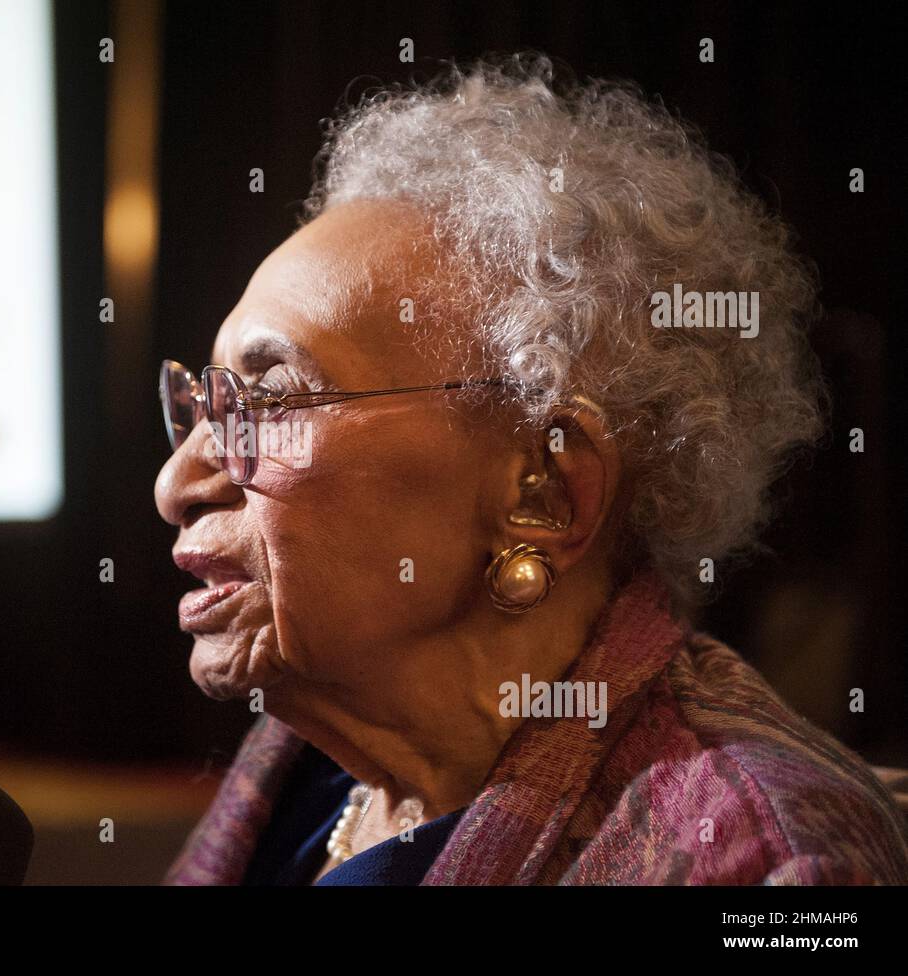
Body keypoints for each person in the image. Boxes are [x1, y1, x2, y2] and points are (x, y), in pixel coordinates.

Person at [153, 55, 908, 885]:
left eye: (272, 399)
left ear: (543, 491)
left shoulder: (760, 859)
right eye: (202, 405)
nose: (176, 484)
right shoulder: (302, 770)